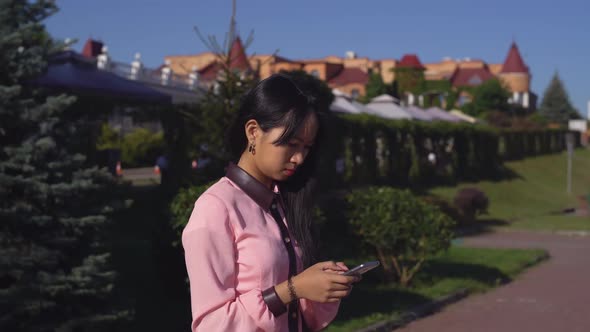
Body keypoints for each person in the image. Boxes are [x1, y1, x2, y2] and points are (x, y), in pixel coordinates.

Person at [182, 74, 359, 331]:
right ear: (253, 132)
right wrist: (291, 290)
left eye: (307, 147)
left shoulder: (283, 202)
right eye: (291, 144)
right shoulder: (215, 208)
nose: (299, 158)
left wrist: (320, 284)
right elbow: (211, 324)